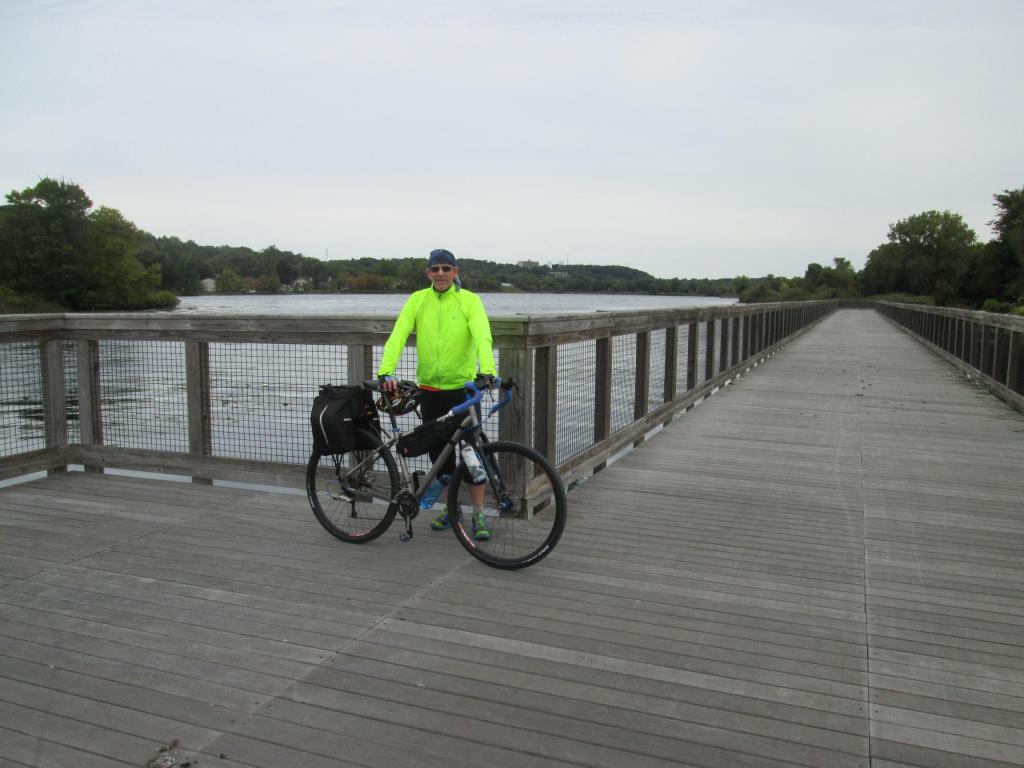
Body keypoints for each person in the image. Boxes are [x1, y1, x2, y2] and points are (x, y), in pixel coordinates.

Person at [377, 248, 498, 539]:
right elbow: (399, 334)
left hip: (463, 392)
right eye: (435, 269)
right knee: (440, 459)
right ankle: (451, 510)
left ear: (456, 271)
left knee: (473, 455)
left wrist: (489, 370)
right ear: (428, 273)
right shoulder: (418, 300)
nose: (441, 274)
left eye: (446, 268)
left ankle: (478, 516)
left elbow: (482, 336)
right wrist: (386, 371)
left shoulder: (469, 300)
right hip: (430, 392)